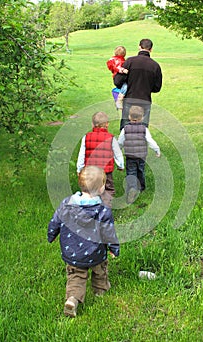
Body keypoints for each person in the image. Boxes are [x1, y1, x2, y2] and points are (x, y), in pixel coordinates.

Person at [47, 166, 120, 318]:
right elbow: (108, 233)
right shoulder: (102, 210)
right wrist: (114, 248)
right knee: (100, 271)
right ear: (101, 188)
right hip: (96, 253)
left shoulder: (66, 204)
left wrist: (51, 235)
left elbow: (55, 221)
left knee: (76, 276)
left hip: (73, 252)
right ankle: (101, 291)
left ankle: (73, 299)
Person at [77, 111, 124, 206]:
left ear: (92, 124)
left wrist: (79, 168)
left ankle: (91, 207)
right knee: (108, 189)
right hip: (106, 171)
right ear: (107, 124)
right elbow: (117, 154)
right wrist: (120, 165)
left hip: (90, 172)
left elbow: (81, 154)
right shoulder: (111, 138)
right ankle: (106, 209)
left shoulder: (86, 137)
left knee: (91, 189)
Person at [114, 39, 162, 130]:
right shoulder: (155, 66)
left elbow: (117, 81)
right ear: (151, 49)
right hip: (145, 100)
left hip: (129, 99)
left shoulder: (129, 62)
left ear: (139, 47)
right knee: (143, 130)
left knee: (125, 129)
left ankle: (125, 144)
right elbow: (157, 87)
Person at [118, 106, 160, 204]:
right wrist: (157, 149)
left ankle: (132, 188)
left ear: (129, 117)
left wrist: (118, 150)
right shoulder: (144, 129)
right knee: (141, 170)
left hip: (130, 156)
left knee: (131, 172)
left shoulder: (125, 129)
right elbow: (150, 140)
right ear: (142, 118)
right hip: (141, 156)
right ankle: (141, 188)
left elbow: (120, 142)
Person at [106, 46, 129, 110]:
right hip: (119, 77)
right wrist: (122, 70)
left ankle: (119, 100)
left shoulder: (112, 59)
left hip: (115, 77)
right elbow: (117, 67)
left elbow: (112, 67)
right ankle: (119, 98)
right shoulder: (120, 60)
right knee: (126, 85)